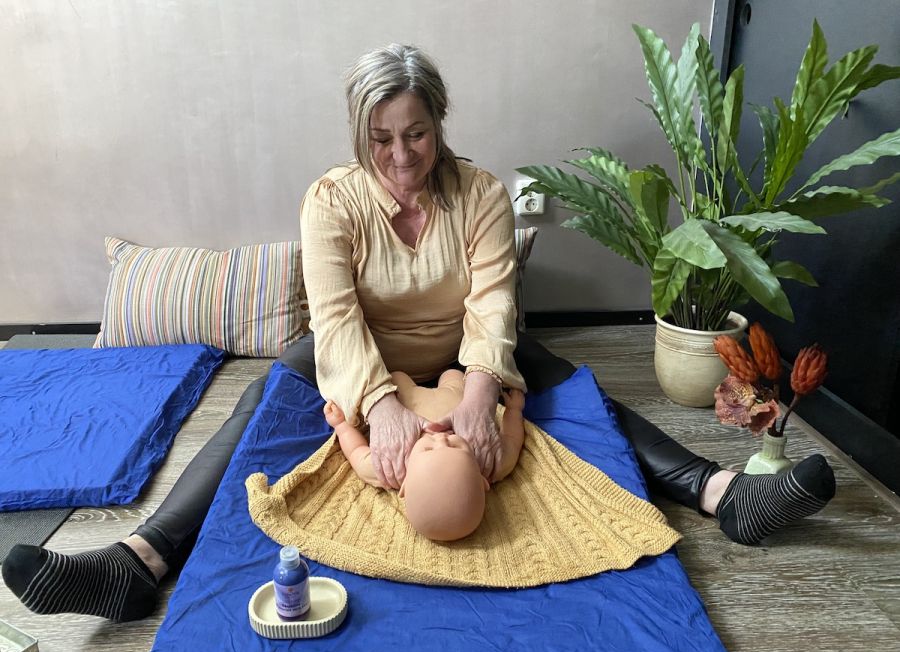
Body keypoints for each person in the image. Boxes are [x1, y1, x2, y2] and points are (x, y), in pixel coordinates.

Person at [2, 44, 835, 623]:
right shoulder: (331, 200)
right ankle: (138, 561)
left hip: (465, 348)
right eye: (381, 138)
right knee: (260, 402)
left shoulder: (480, 193)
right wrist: (378, 406)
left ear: (440, 122)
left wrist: (481, 393)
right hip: (360, 353)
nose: (401, 155)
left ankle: (726, 496)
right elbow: (334, 315)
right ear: (358, 134)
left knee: (578, 393)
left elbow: (494, 303)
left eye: (417, 133)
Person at [324, 369, 526, 541]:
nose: (441, 439)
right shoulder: (491, 460)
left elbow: (357, 453)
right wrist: (514, 411)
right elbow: (512, 440)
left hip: (405, 397)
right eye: (454, 446)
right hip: (456, 393)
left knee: (397, 376)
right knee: (453, 373)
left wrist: (341, 426)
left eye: (428, 449)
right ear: (482, 481)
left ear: (404, 485)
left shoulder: (390, 468)